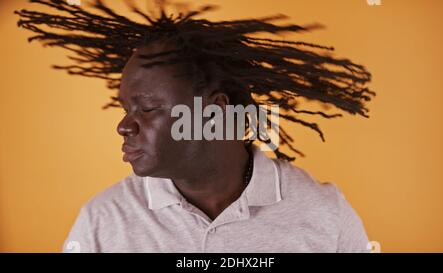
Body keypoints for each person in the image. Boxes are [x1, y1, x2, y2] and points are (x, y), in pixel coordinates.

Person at [15, 0, 375, 252]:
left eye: (149, 108)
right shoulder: (103, 221)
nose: (124, 126)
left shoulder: (323, 212)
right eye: (126, 108)